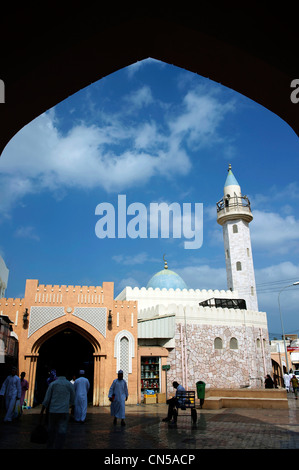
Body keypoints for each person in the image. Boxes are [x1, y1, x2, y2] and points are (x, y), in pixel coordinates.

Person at [40, 367, 75, 449]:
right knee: (62, 431)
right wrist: (72, 409)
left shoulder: (53, 384)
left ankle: (50, 446)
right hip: (64, 411)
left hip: (53, 411)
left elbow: (46, 399)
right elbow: (73, 399)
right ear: (66, 374)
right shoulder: (69, 384)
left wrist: (42, 412)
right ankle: (59, 447)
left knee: (51, 430)